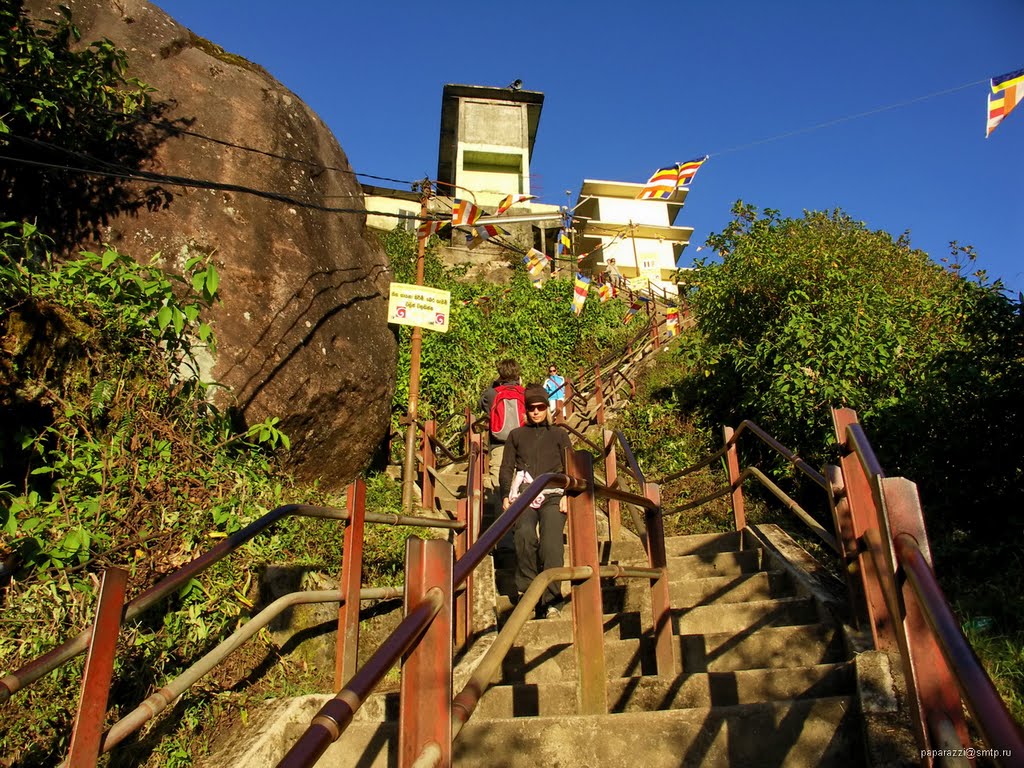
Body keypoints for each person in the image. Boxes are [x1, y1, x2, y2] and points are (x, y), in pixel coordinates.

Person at [500, 385, 572, 618]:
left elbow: (572, 467)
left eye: (541, 407)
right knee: (524, 536)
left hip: (554, 494)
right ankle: (529, 592)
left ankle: (552, 599)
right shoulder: (516, 435)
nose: (536, 412)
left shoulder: (559, 434)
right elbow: (507, 467)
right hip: (524, 494)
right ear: (526, 410)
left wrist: (569, 496)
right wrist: (504, 494)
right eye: (531, 408)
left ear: (547, 408)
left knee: (551, 543)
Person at [479, 359, 523, 520]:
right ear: (518, 373)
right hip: (523, 444)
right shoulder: (524, 393)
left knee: (500, 487)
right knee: (524, 485)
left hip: (499, 445)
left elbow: (482, 404)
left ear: (500, 374)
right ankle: (523, 529)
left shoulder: (492, 393)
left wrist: (494, 385)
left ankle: (503, 537)